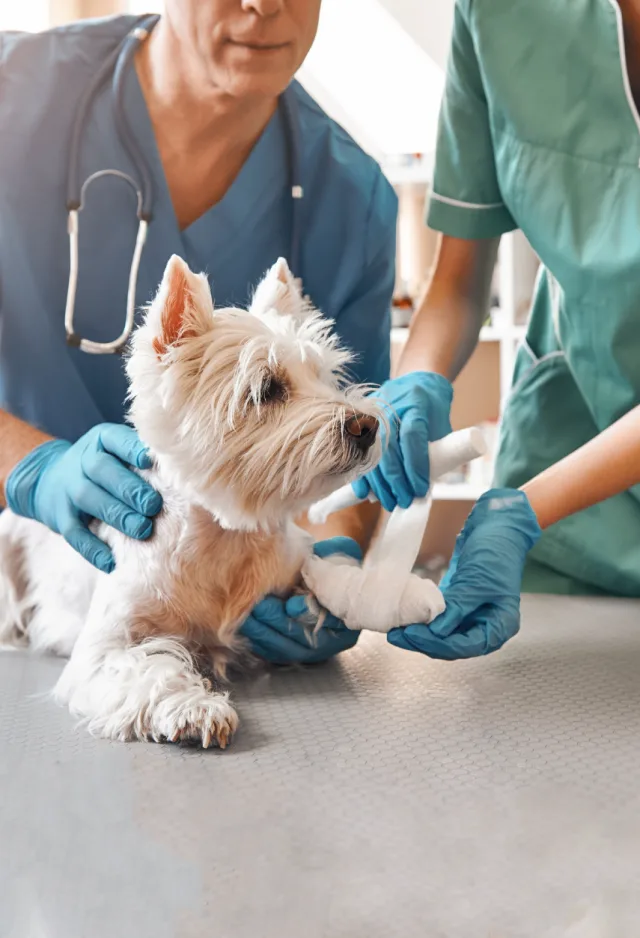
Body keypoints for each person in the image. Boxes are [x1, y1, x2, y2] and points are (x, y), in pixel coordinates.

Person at [0, 0, 396, 664]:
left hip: (209, 610)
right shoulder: (17, 95)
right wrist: (32, 468)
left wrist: (334, 562)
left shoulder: (350, 197)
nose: (265, 6)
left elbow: (353, 453)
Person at [355, 0, 640, 658]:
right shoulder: (499, 12)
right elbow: (458, 283)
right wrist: (415, 383)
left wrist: (525, 511)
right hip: (573, 502)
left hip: (551, 500)